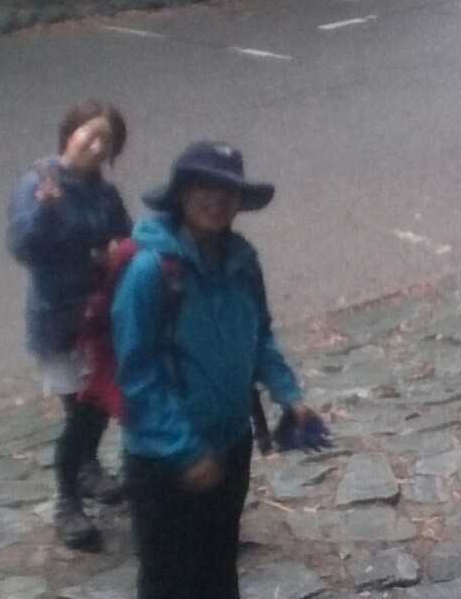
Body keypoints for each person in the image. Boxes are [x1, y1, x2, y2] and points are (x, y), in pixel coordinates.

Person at [114, 141, 319, 599]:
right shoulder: (151, 270)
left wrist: (289, 395)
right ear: (182, 194)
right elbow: (137, 376)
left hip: (229, 443)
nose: (217, 200)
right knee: (168, 582)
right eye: (204, 188)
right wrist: (185, 451)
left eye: (228, 191)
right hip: (165, 460)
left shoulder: (242, 262)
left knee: (219, 569)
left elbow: (259, 334)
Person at [6, 100, 133, 552]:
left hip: (101, 316)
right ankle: (67, 499)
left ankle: (87, 469)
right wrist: (45, 210)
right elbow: (24, 248)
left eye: (107, 141)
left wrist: (115, 252)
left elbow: (125, 236)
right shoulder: (38, 183)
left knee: (94, 408)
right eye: (90, 134)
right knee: (83, 411)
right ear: (70, 133)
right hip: (60, 320)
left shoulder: (105, 194)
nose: (96, 146)